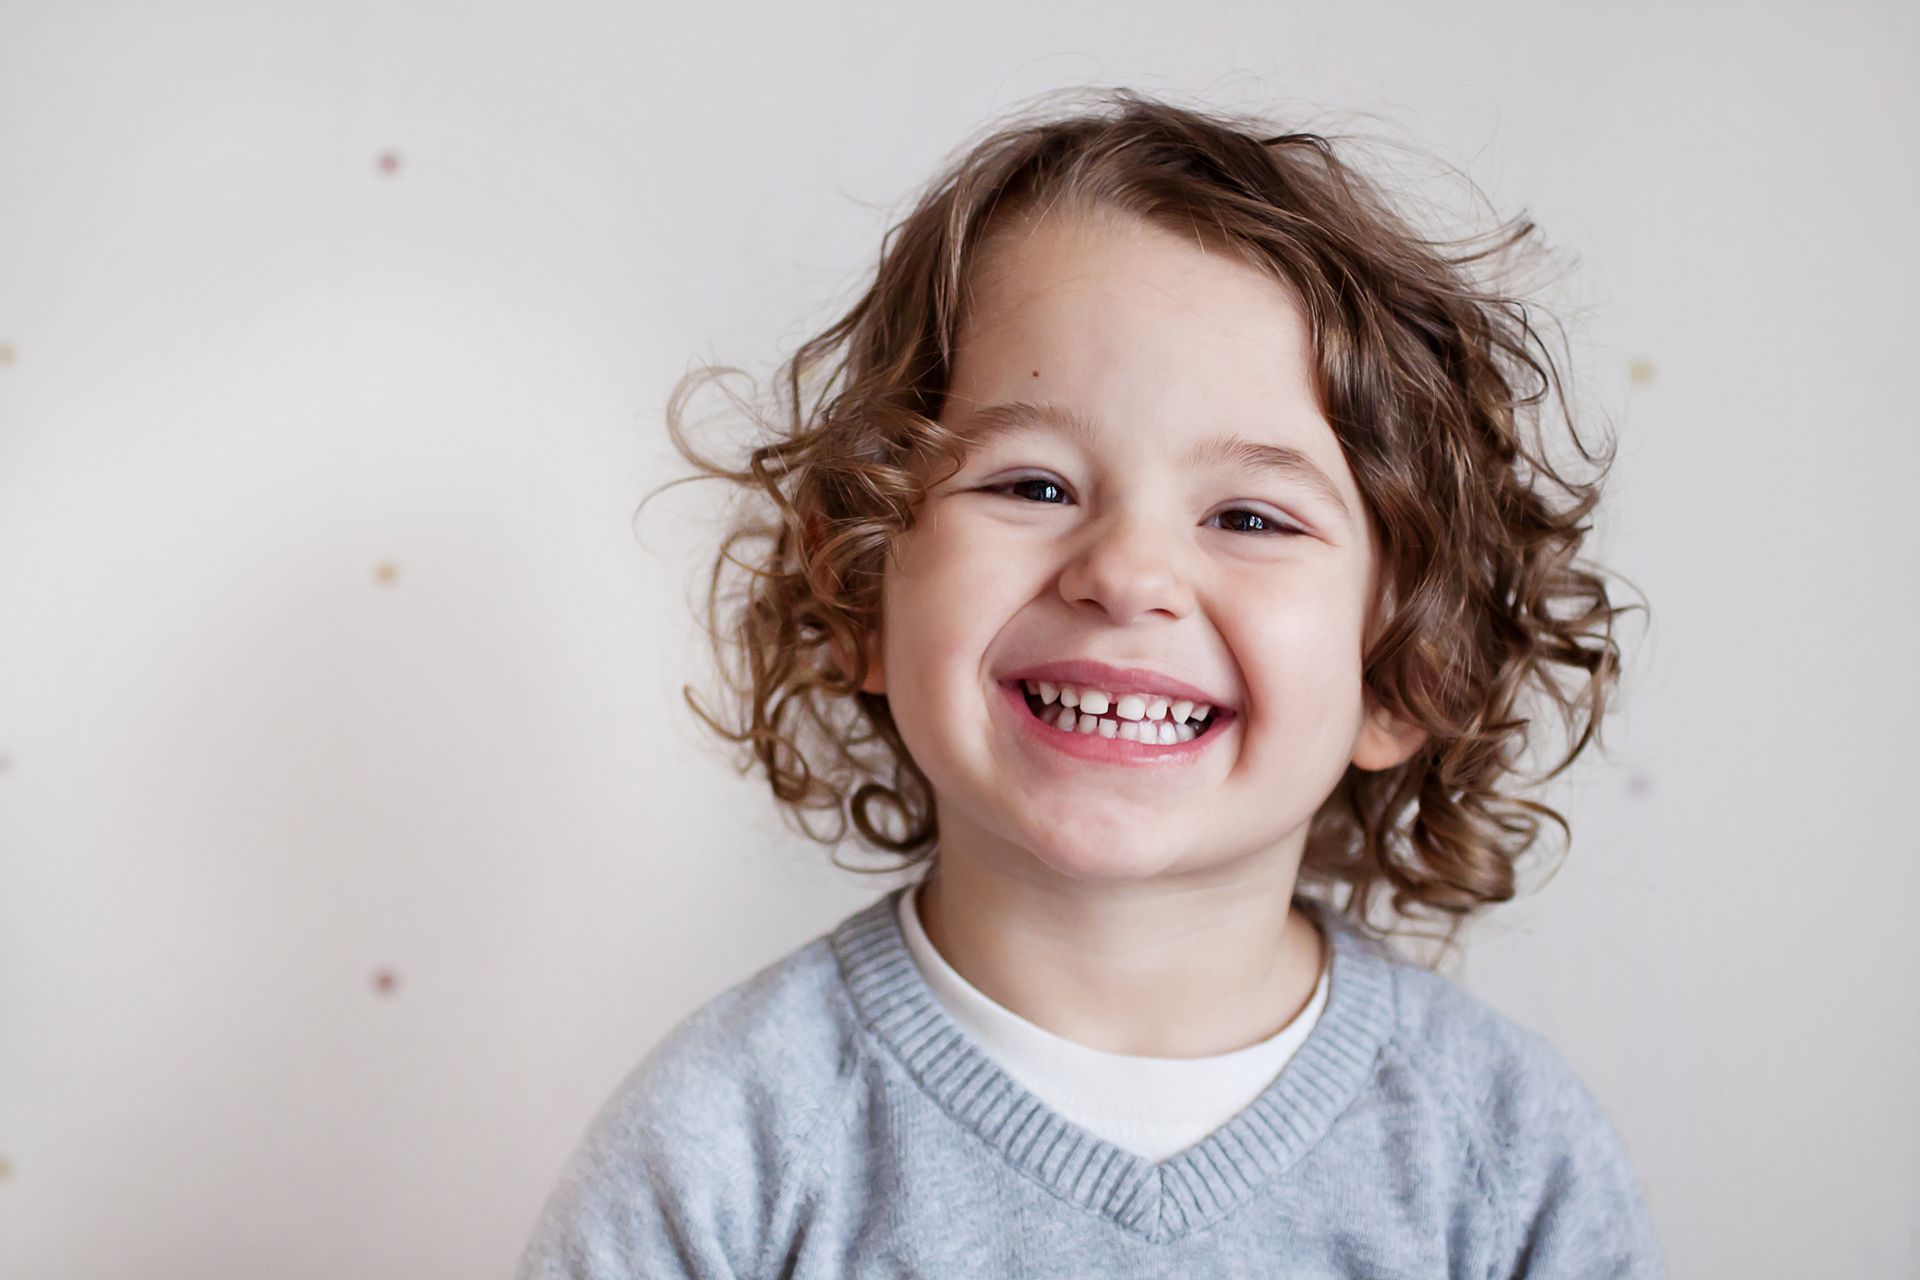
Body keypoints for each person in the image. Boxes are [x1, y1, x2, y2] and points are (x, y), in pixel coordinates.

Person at [515, 86, 1664, 1277]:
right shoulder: (724, 1148)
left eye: (1251, 515)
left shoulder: (1507, 1159)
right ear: (860, 586)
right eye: (1033, 485)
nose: (1126, 574)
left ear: (1404, 668)